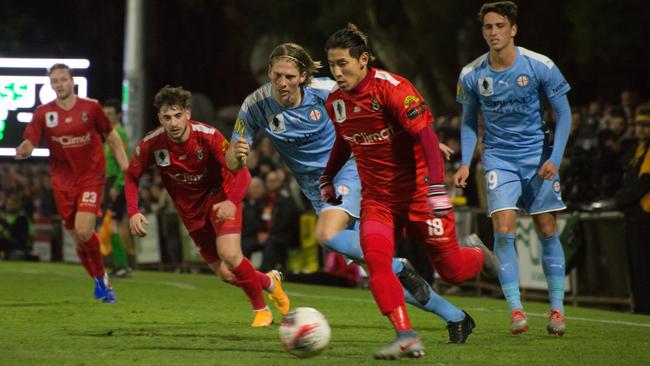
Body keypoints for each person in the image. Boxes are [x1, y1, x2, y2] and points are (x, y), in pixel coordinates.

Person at [226, 43, 490, 351]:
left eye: (289, 76)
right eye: (276, 76)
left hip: (350, 171)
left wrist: (422, 144)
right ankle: (455, 316)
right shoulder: (254, 106)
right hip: (316, 188)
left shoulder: (326, 91)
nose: (282, 83)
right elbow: (233, 160)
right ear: (269, 73)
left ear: (303, 77)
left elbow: (380, 119)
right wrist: (238, 156)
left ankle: (399, 267)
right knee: (375, 273)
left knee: (328, 234)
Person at [320, 26, 498, 359]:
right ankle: (406, 336)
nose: (337, 72)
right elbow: (346, 140)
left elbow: (428, 139)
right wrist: (327, 176)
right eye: (332, 65)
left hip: (417, 196)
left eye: (343, 64)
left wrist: (435, 189)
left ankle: (479, 255)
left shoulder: (394, 89)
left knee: (453, 271)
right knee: (376, 261)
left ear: (363, 59)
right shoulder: (336, 101)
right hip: (377, 200)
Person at [125, 85, 290, 327]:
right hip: (191, 212)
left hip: (220, 199)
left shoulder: (208, 136)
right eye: (167, 117)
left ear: (188, 113)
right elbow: (131, 175)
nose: (173, 123)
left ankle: (261, 310)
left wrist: (232, 202)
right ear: (160, 118)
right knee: (225, 274)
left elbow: (242, 173)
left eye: (178, 115)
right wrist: (133, 211)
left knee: (231, 255)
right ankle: (269, 283)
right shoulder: (153, 144)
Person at [453, 1, 572, 336]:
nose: (494, 32)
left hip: (537, 158)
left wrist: (555, 158)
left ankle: (557, 311)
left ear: (513, 29)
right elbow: (467, 123)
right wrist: (465, 162)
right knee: (502, 229)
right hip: (498, 159)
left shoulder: (540, 65)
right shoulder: (472, 74)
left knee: (547, 229)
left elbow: (564, 115)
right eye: (488, 27)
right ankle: (516, 310)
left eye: (500, 26)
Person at [15, 63, 128, 303]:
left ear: (72, 81)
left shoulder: (91, 107)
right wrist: (23, 149)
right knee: (77, 238)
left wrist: (126, 166)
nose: (59, 84)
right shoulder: (43, 113)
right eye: (55, 81)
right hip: (62, 182)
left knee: (85, 230)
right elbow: (30, 141)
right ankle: (101, 280)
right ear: (51, 84)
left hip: (91, 178)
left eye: (63, 79)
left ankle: (102, 280)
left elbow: (112, 137)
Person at [613, 105, 650, 314]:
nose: (641, 130)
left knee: (644, 264)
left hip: (645, 215)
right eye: (639, 125)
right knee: (637, 265)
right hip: (635, 216)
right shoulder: (637, 150)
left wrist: (620, 201)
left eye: (646, 125)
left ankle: (645, 307)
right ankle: (640, 306)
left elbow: (644, 183)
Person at [101, 98, 132, 278]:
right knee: (114, 224)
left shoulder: (119, 133)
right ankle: (120, 264)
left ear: (119, 114)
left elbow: (125, 161)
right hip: (110, 182)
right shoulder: (110, 133)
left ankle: (122, 265)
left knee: (113, 224)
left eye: (110, 114)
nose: (107, 117)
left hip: (115, 183)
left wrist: (117, 186)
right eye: (105, 115)